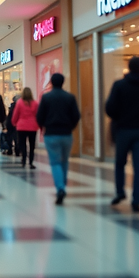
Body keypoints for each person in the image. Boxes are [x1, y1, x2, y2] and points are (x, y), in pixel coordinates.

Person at [105, 56, 139, 213]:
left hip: (123, 130)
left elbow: (109, 108)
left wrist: (117, 118)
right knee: (138, 167)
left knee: (120, 163)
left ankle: (120, 191)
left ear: (128, 67)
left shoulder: (119, 86)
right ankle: (137, 200)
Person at [36, 73, 81, 205]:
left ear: (51, 82)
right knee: (64, 161)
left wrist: (43, 127)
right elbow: (76, 115)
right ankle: (63, 185)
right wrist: (70, 127)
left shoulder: (46, 98)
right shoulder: (70, 97)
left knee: (55, 162)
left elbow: (39, 116)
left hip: (51, 134)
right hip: (66, 134)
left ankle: (60, 188)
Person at [10, 87, 39, 169]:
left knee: (22, 144)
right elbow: (38, 115)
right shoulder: (35, 103)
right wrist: (38, 125)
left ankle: (23, 160)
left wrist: (14, 122)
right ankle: (31, 162)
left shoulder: (19, 103)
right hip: (33, 127)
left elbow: (15, 114)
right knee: (32, 145)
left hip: (21, 126)